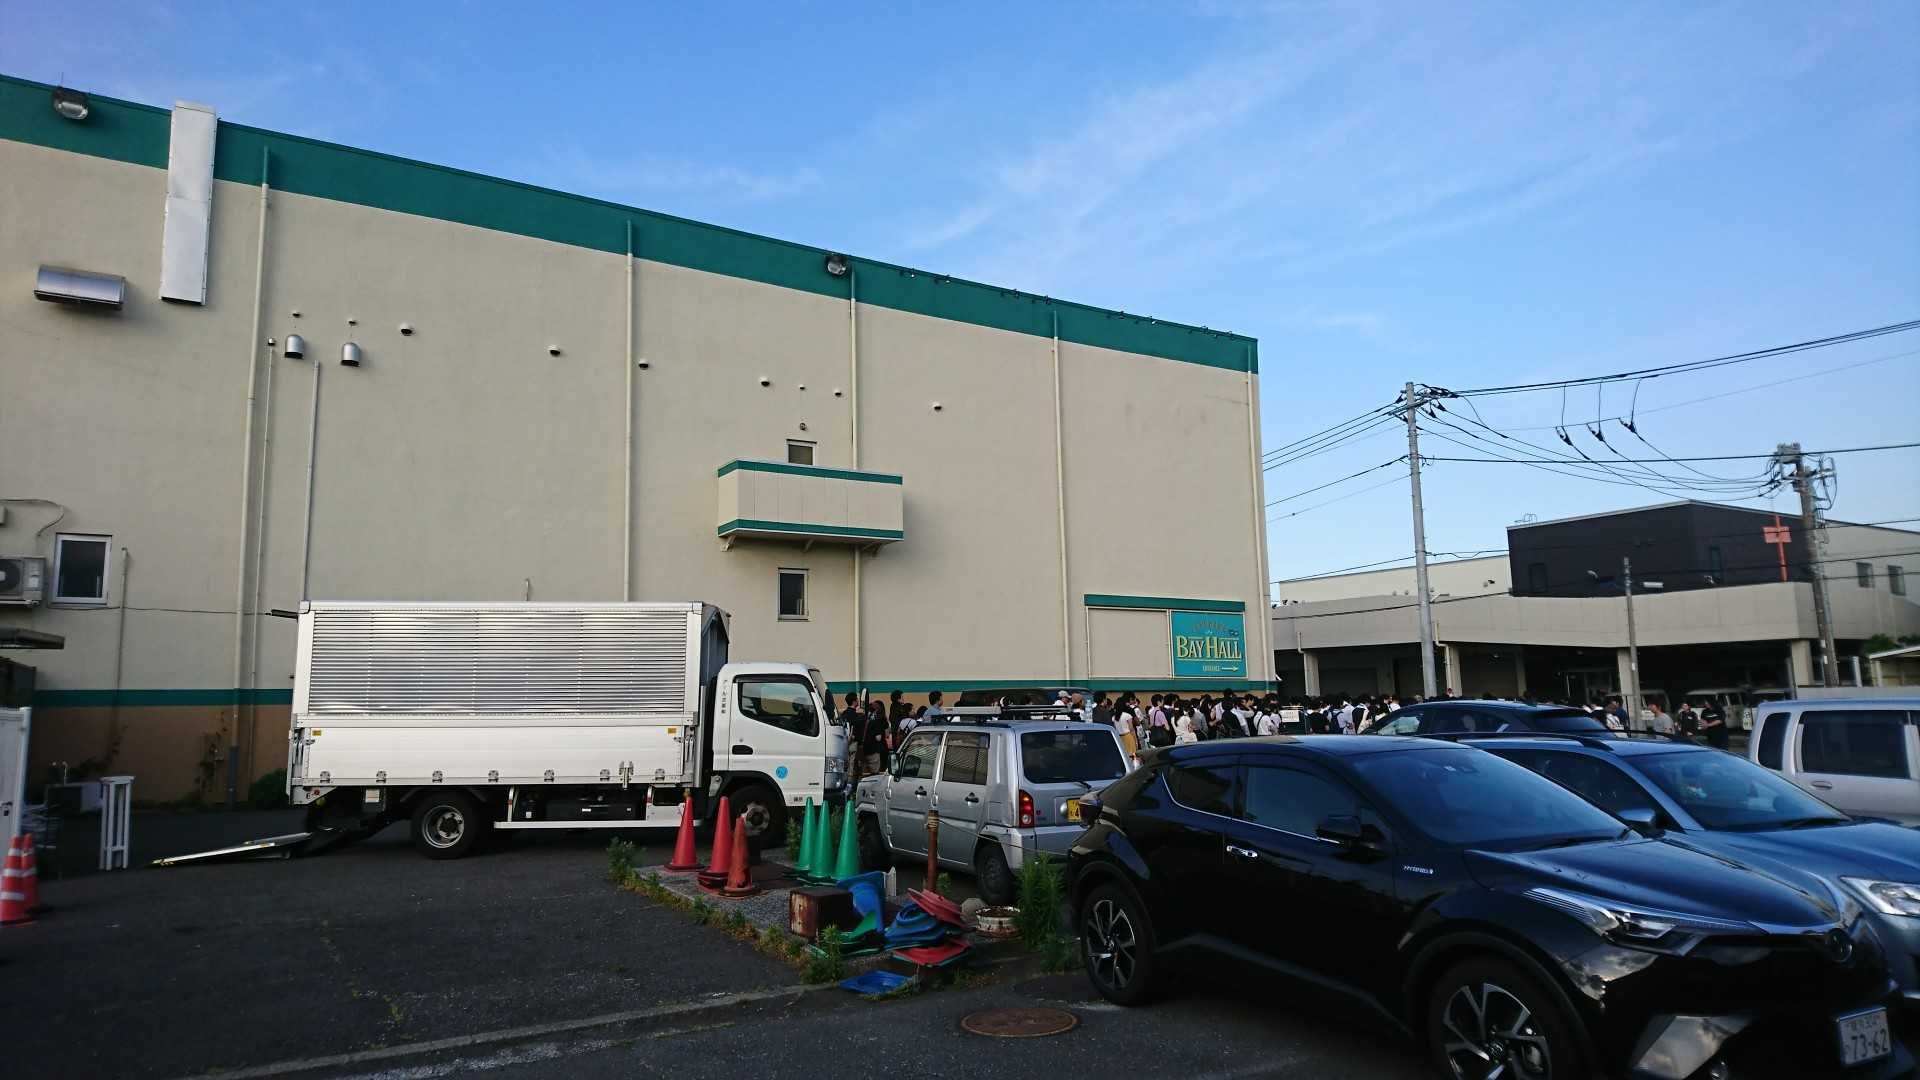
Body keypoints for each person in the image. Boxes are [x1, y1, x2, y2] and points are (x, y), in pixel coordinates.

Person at [857, 699, 889, 777]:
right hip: (877, 748)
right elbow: (885, 735)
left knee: (864, 772)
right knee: (876, 771)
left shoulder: (860, 719)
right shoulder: (880, 720)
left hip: (863, 748)